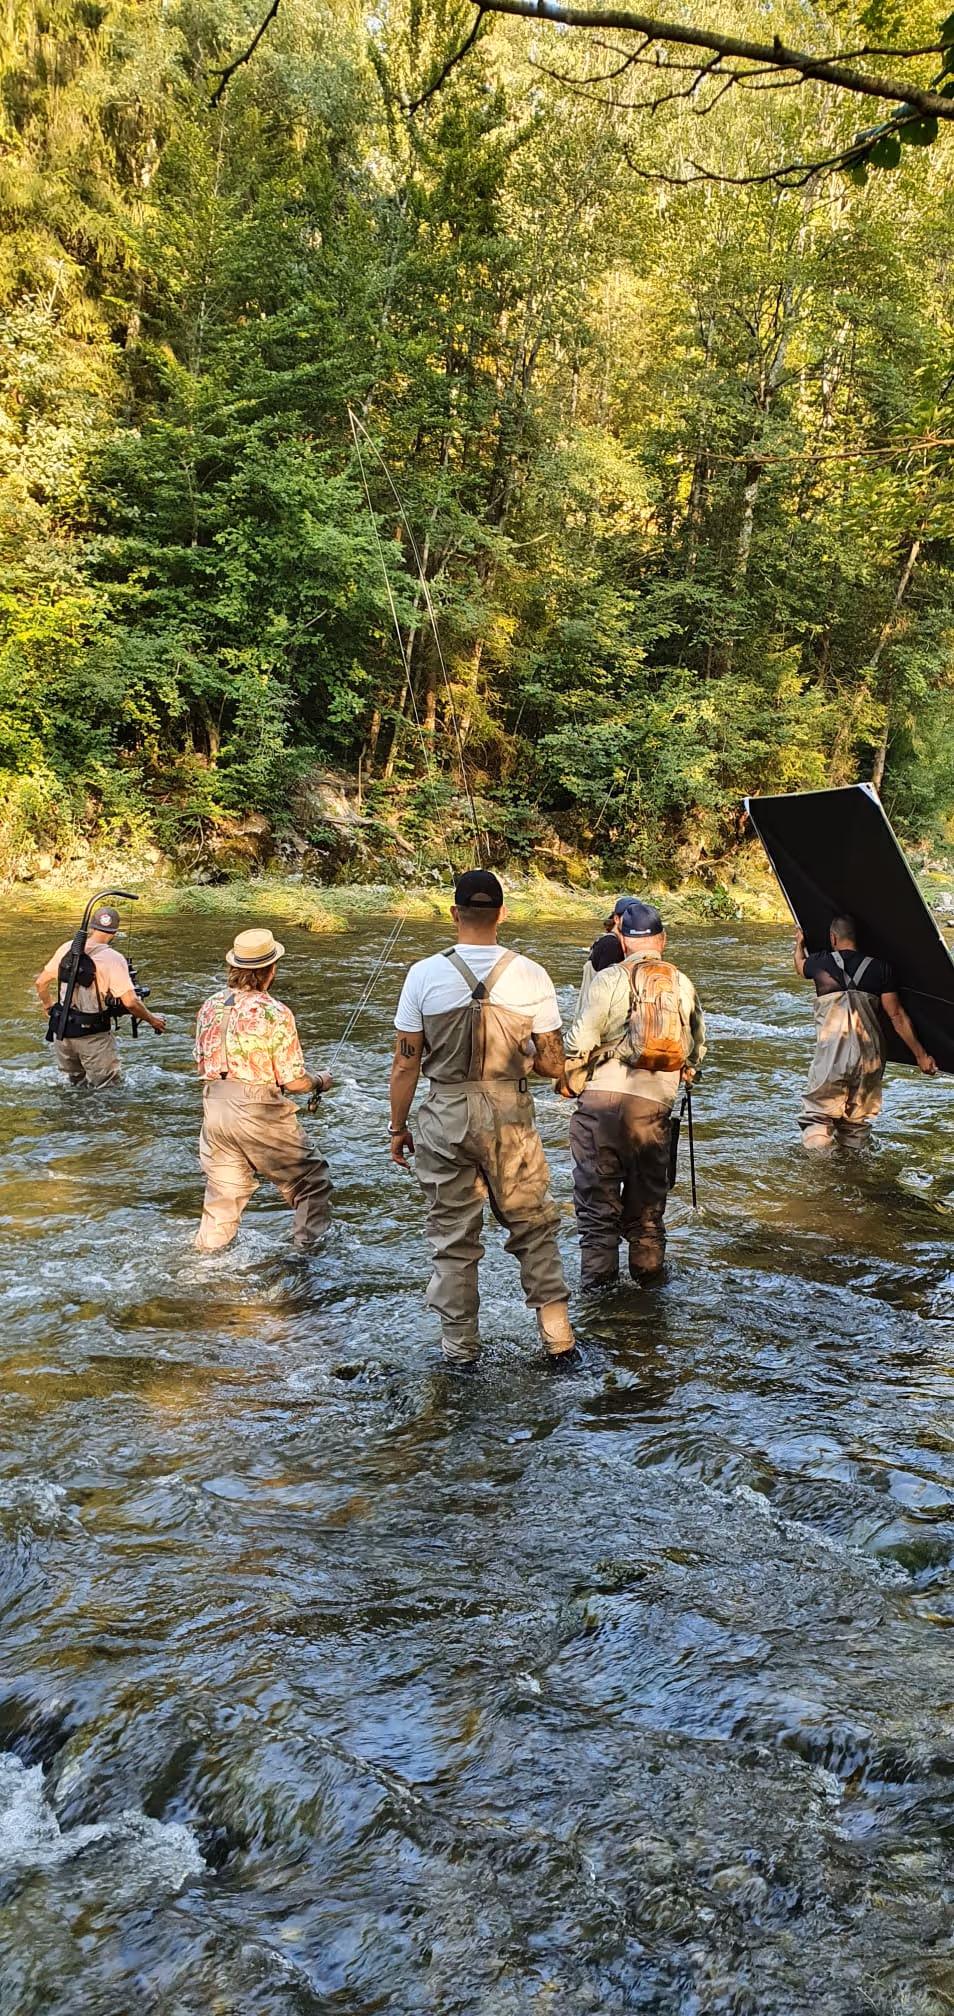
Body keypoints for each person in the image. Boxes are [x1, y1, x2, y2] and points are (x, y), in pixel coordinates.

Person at [389, 869, 574, 1366]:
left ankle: (460, 1353)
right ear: (502, 914)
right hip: (510, 1113)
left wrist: (397, 1127)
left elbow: (406, 1062)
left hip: (444, 1113)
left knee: (453, 1241)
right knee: (534, 1229)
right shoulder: (532, 973)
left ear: (454, 914)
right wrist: (530, 1053)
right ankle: (559, 1343)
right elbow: (553, 1065)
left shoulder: (422, 974)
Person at [562, 899, 706, 1289]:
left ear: (623, 940)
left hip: (602, 1108)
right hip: (655, 1109)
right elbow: (696, 1049)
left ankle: (599, 1300)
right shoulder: (682, 983)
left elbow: (579, 1041)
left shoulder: (610, 978)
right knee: (646, 1213)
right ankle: (650, 1291)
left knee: (597, 1210)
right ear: (662, 939)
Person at [193, 927, 333, 1252]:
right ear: (270, 971)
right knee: (311, 1181)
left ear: (235, 967)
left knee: (223, 1199)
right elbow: (292, 1081)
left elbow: (202, 1061)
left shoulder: (209, 1006)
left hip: (214, 1108)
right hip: (257, 1108)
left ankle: (205, 1266)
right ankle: (307, 1260)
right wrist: (319, 1081)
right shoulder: (275, 1012)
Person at [794, 914, 936, 1149]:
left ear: (832, 938)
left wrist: (799, 943)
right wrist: (921, 1056)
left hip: (832, 1055)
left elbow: (800, 966)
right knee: (856, 1125)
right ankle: (856, 1178)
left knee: (817, 1118)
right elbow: (897, 1017)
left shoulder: (819, 963)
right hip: (869, 1058)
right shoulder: (881, 969)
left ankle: (820, 1173)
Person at [35, 903, 166, 1088]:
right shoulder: (113, 958)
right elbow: (130, 1002)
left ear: (92, 927)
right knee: (108, 1091)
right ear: (114, 932)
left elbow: (40, 983)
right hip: (92, 1037)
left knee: (75, 1087)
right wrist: (153, 1020)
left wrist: (48, 1005)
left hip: (61, 1033)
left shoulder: (66, 948)